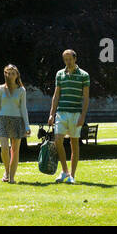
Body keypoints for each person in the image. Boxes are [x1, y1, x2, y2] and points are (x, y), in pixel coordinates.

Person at [47, 48, 90, 184]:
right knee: (58, 140)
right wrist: (51, 114)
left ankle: (72, 175)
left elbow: (86, 98)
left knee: (74, 143)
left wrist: (83, 116)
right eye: (65, 59)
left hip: (75, 113)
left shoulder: (84, 75)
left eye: (70, 59)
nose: (68, 62)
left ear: (75, 59)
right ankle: (65, 171)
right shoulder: (60, 74)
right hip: (61, 113)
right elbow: (56, 95)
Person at [0, 63, 30, 183]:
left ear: (17, 75)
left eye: (13, 73)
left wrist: (27, 125)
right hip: (2, 120)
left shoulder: (21, 90)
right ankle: (6, 171)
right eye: (8, 73)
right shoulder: (0, 89)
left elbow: (23, 108)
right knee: (4, 149)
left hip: (17, 120)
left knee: (15, 150)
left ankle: (11, 177)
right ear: (5, 74)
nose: (11, 76)